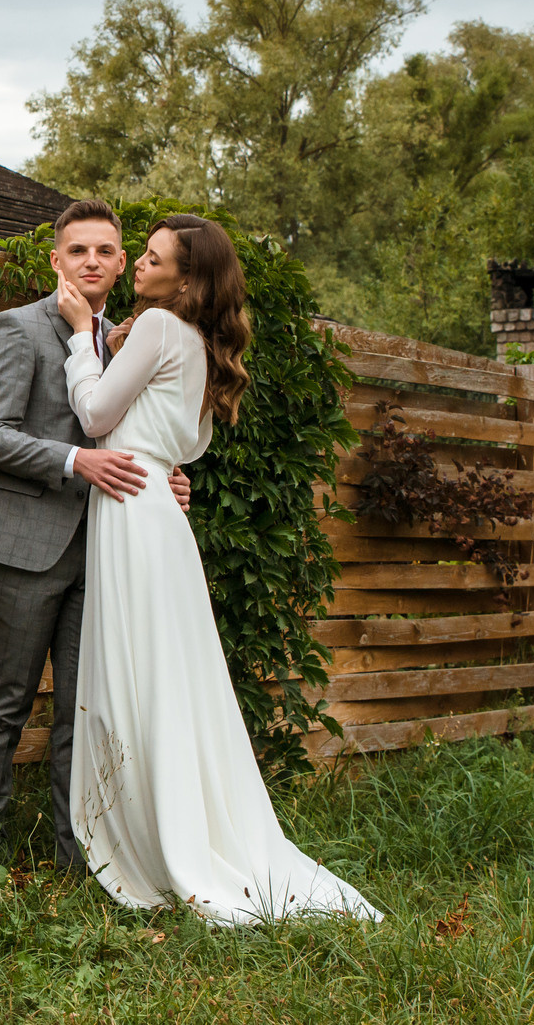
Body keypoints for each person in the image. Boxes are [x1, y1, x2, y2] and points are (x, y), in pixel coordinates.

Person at [59, 213, 381, 924]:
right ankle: (176, 821)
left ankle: (148, 835)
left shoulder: (155, 328)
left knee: (138, 672)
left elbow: (95, 413)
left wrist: (85, 341)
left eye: (151, 258)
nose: (136, 266)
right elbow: (188, 448)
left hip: (128, 506)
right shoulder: (200, 344)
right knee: (172, 676)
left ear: (186, 277)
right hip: (161, 514)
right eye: (138, 255)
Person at [0, 199, 190, 867]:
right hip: (25, 547)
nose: (91, 260)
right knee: (5, 704)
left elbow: (138, 439)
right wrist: (73, 459)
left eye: (105, 250)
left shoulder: (130, 337)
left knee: (83, 714)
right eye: (77, 249)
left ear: (122, 264)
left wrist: (169, 480)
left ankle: (77, 857)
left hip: (104, 552)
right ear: (56, 259)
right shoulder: (17, 327)